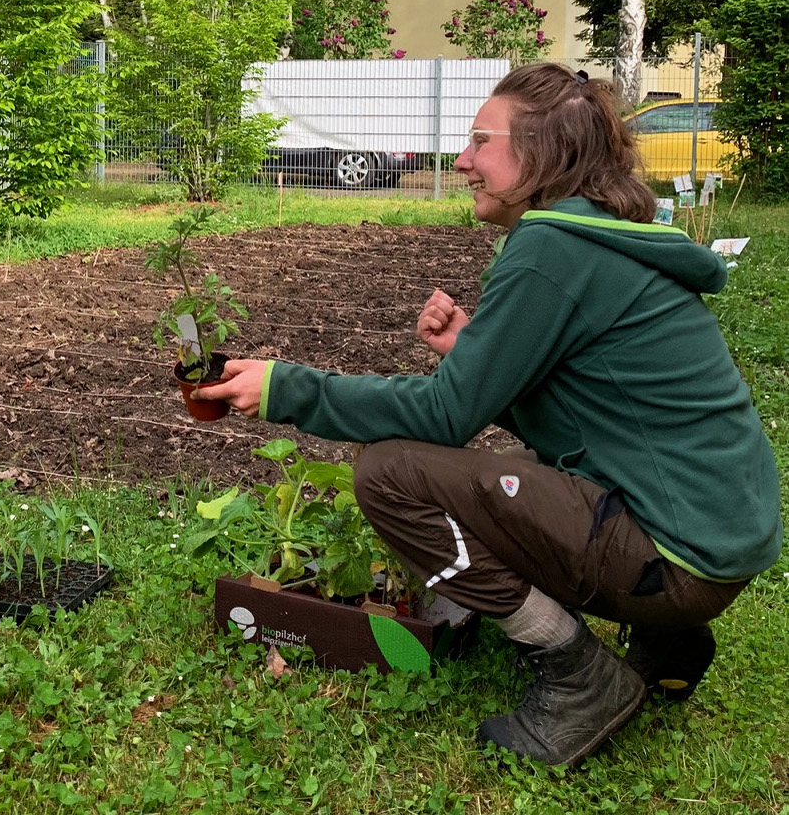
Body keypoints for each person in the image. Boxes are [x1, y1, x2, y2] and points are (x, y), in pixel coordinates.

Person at [194, 62, 782, 768]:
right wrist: (477, 348)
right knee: (512, 473)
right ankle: (669, 640)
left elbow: (445, 417)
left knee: (390, 474)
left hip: (678, 557)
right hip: (714, 539)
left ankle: (578, 673)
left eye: (480, 141)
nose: (463, 160)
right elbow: (590, 418)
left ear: (541, 154)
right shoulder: (593, 236)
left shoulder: (551, 249)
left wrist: (286, 387)